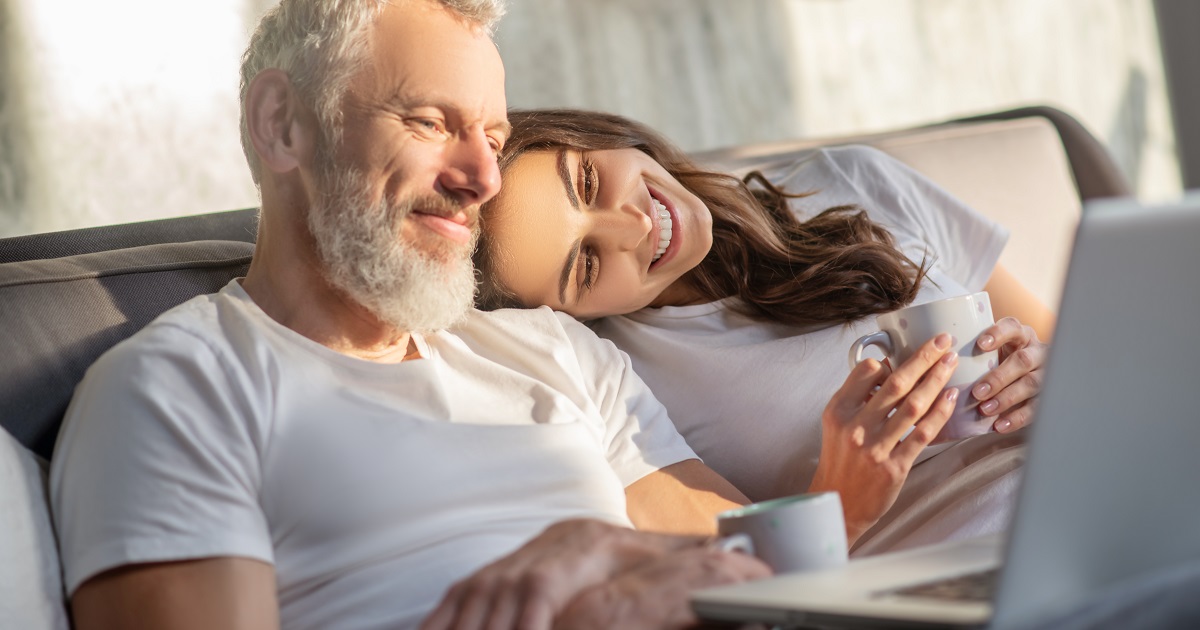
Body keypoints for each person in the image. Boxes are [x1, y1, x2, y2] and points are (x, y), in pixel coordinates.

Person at [47, 2, 967, 629]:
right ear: (283, 123)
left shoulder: (551, 351)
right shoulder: (179, 389)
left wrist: (597, 552)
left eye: (489, 136)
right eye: (428, 122)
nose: (483, 177)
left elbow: (748, 575)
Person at [473, 108, 1052, 553]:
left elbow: (1070, 340)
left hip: (1099, 459)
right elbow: (733, 579)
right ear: (569, 315)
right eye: (588, 265)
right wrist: (840, 491)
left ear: (598, 135)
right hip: (996, 562)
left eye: (590, 182)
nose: (636, 224)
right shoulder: (626, 382)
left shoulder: (852, 177)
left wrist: (1041, 367)